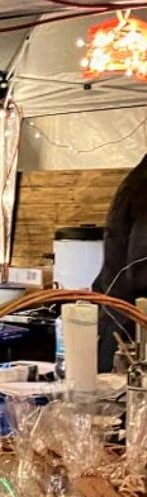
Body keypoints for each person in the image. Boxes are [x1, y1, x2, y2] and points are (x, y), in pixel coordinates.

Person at [93, 153, 147, 372]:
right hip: (129, 340)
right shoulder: (143, 188)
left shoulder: (138, 181)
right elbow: (141, 269)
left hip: (121, 325)